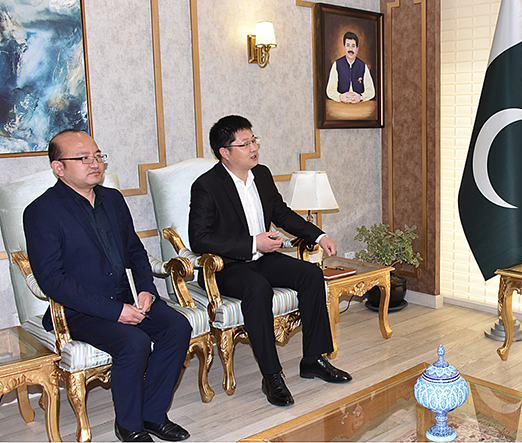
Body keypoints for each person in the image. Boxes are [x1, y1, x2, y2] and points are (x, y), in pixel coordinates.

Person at [24, 130, 192, 442]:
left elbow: (134, 251)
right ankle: (129, 426)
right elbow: (52, 280)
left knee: (177, 327)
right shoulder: (40, 212)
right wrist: (115, 312)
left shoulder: (112, 199)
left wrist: (146, 290)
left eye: (98, 156)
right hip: (79, 310)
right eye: (83, 158)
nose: (94, 163)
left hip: (126, 297)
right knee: (134, 342)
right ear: (58, 168)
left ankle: (153, 415)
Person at [188, 115, 352, 408]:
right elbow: (199, 238)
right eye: (245, 143)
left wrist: (319, 236)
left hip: (262, 258)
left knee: (311, 275)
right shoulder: (207, 185)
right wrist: (252, 243)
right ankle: (272, 376)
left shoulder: (261, 174)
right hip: (227, 267)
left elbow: (282, 213)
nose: (254, 147)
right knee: (257, 288)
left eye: (254, 140)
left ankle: (313, 359)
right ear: (225, 152)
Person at [325, 31, 375, 103]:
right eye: (348, 45)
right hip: (340, 106)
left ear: (357, 49)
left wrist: (361, 97)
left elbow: (371, 91)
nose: (350, 49)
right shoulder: (336, 65)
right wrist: (340, 97)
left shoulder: (363, 66)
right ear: (344, 47)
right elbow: (330, 90)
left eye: (353, 46)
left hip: (359, 106)